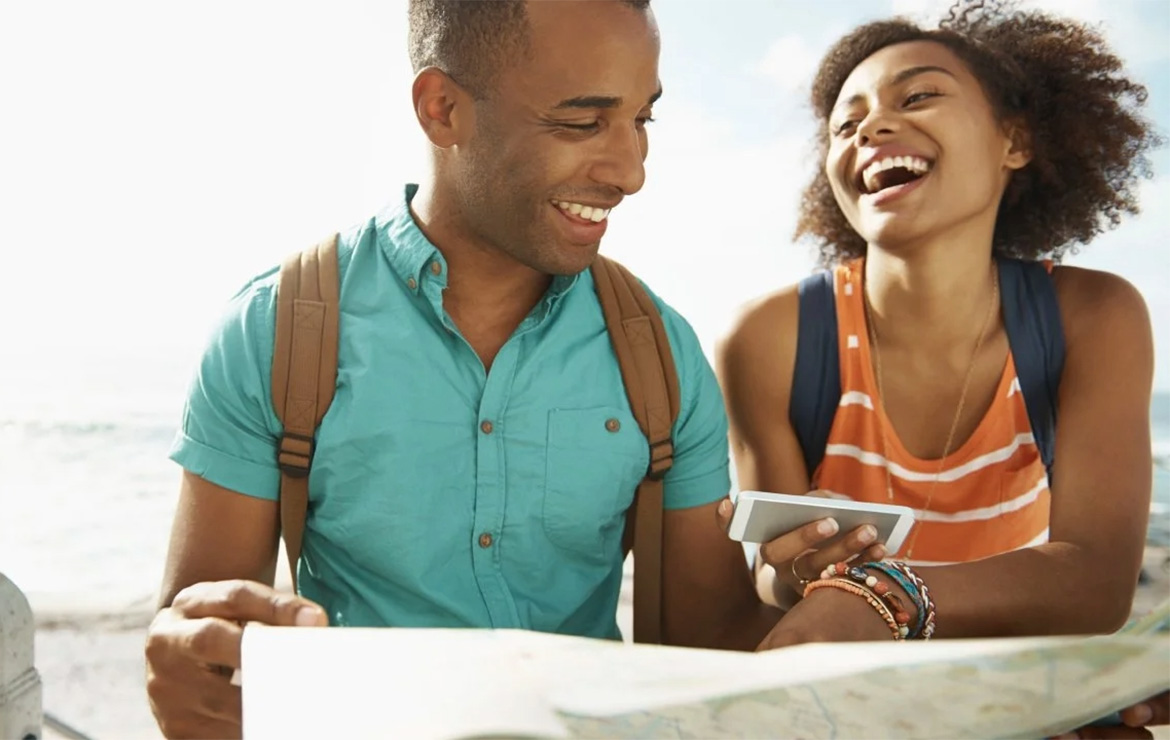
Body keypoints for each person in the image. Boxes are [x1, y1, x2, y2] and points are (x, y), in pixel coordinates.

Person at [142, 2, 881, 737]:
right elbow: (198, 649)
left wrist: (819, 592)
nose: (630, 172)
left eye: (642, 121)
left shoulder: (662, 354)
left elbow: (708, 647)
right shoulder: (277, 330)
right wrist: (192, 667)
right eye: (582, 122)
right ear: (443, 109)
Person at [714, 0, 1162, 727]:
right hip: (851, 711)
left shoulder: (1092, 316)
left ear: (1014, 140)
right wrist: (788, 571)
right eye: (845, 123)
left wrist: (887, 592)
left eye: (917, 95)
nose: (871, 127)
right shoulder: (773, 337)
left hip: (1014, 704)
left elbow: (1097, 582)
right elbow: (775, 577)